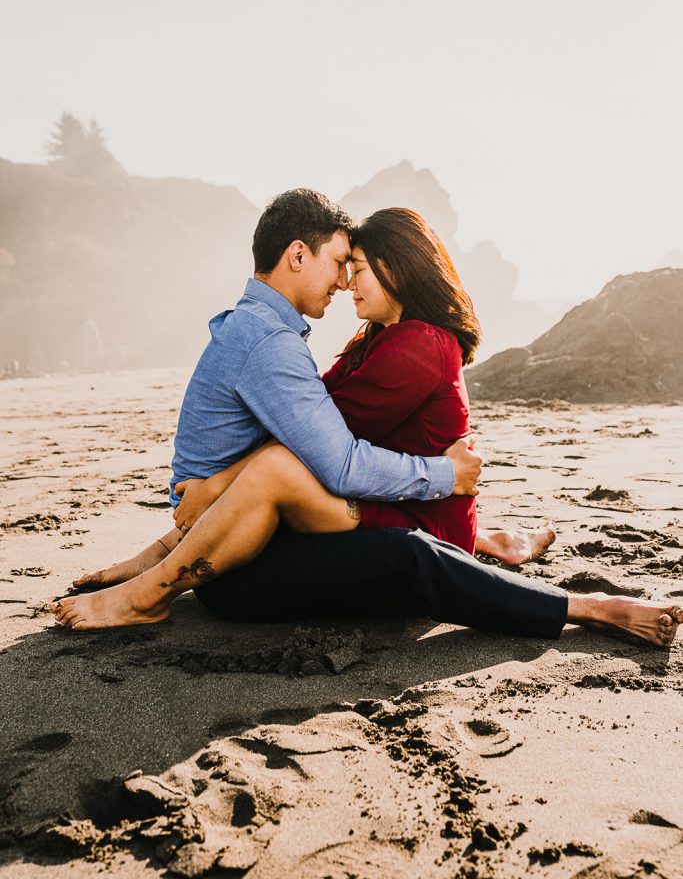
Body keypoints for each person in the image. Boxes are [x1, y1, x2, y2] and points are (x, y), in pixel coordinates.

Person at [50, 195, 683, 646]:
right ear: (298, 256)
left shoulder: (414, 344)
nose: (347, 283)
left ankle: (591, 606)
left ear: (397, 269)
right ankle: (495, 543)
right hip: (371, 506)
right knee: (280, 466)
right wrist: (173, 534)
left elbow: (329, 453)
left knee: (291, 475)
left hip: (406, 517)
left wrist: (207, 495)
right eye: (342, 266)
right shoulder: (366, 341)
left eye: (358, 268)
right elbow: (317, 433)